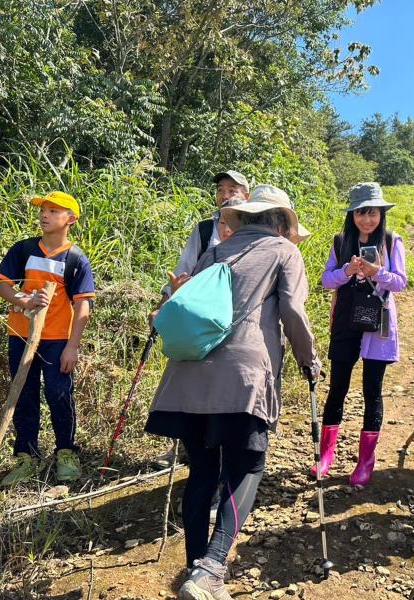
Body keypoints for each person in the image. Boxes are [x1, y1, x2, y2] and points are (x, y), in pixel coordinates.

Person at [145, 184, 321, 600]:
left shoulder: (216, 251)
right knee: (247, 467)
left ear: (242, 218)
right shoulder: (284, 252)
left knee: (202, 471)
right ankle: (211, 568)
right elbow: (293, 311)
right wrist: (309, 359)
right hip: (242, 376)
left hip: (189, 376)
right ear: (280, 221)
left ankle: (194, 566)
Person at [0, 191, 96, 485]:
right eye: (43, 210)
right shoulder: (24, 250)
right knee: (23, 395)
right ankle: (27, 457)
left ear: (71, 219)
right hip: (21, 336)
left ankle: (66, 452)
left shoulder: (75, 259)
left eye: (53, 210)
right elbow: (2, 287)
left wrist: (72, 347)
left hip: (57, 340)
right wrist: (25, 301)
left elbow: (82, 306)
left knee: (58, 393)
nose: (45, 215)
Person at [313, 182, 407, 488]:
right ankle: (325, 455)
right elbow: (327, 280)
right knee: (337, 386)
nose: (367, 219)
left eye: (373, 213)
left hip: (377, 326)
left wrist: (376, 271)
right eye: (361, 213)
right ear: (352, 215)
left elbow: (400, 283)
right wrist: (348, 272)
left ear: (381, 214)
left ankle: (365, 461)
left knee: (372, 391)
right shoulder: (341, 242)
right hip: (345, 324)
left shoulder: (392, 242)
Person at [148, 169, 251, 329]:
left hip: (240, 317)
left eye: (232, 191)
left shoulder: (255, 234)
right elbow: (184, 270)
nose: (224, 195)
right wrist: (162, 306)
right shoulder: (205, 230)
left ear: (247, 197)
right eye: (220, 190)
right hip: (202, 316)